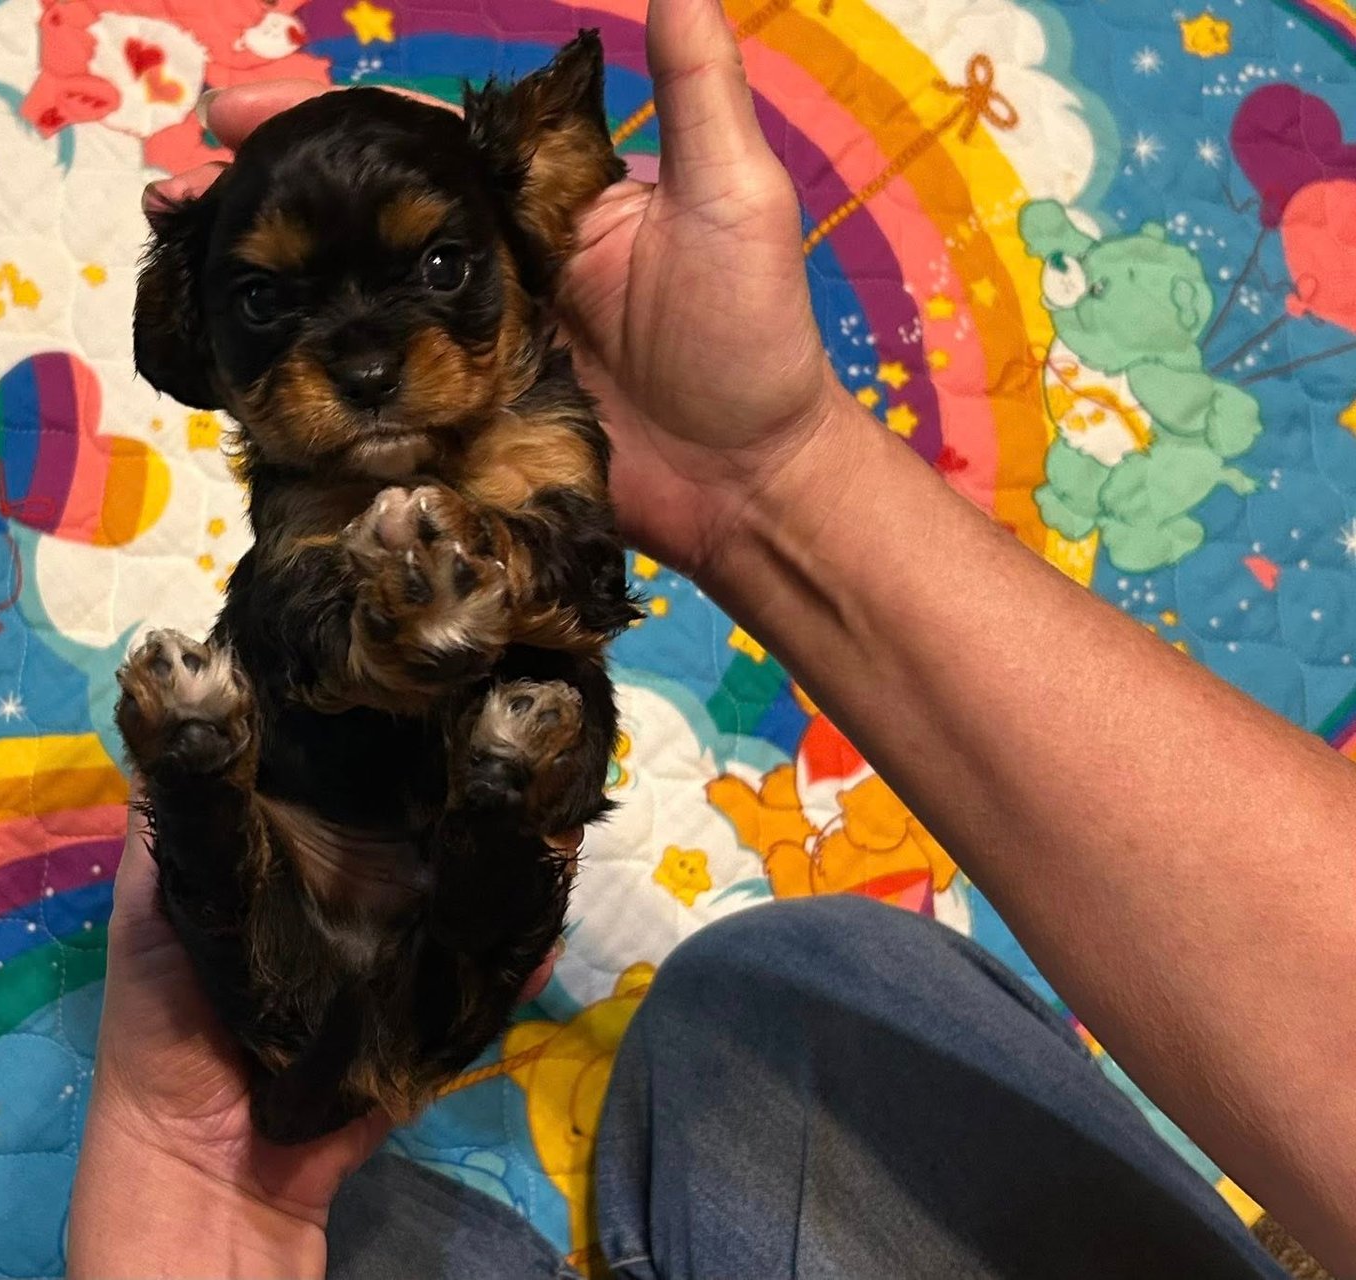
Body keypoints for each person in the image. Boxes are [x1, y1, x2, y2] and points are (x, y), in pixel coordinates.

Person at [68, 0, 1356, 1273]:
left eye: (443, 269)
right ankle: (223, 794)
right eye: (268, 308)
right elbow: (296, 634)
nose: (359, 362)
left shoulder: (537, 423)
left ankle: (465, 807)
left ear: (537, 219)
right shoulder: (316, 494)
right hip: (302, 874)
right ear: (197, 333)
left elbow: (577, 581)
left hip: (468, 908)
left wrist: (493, 584)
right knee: (810, 972)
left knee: (536, 894)